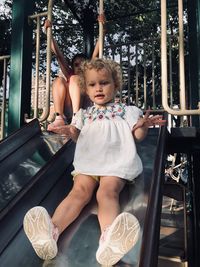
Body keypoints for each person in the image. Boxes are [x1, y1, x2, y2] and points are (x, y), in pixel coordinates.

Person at [23, 58, 165, 265]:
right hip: (89, 163)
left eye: (104, 83)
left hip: (116, 164)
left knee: (106, 192)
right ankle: (50, 233)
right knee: (78, 193)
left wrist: (142, 125)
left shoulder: (128, 110)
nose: (98, 88)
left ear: (115, 85)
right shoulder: (83, 114)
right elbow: (76, 134)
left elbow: (138, 136)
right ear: (86, 90)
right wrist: (68, 130)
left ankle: (109, 240)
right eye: (92, 84)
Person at [45, 15, 106, 132]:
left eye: (83, 64)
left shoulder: (89, 74)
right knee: (59, 80)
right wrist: (48, 34)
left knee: (75, 79)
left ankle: (77, 118)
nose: (80, 67)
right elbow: (58, 54)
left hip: (84, 110)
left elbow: (96, 53)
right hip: (68, 109)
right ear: (72, 67)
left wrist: (102, 29)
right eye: (76, 65)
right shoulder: (70, 74)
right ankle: (59, 117)